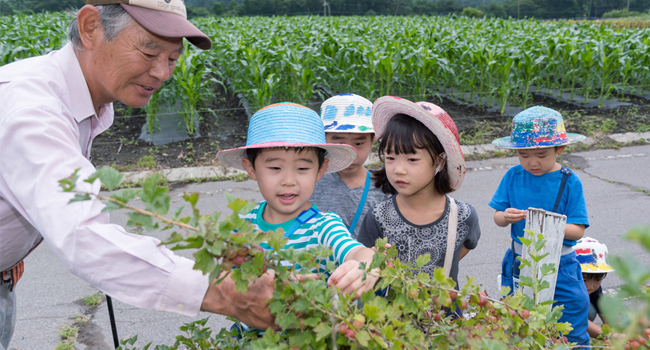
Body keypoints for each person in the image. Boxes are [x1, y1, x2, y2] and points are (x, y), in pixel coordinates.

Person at [0, 1, 274, 348]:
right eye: (149, 52)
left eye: (173, 59)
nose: (162, 73)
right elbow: (84, 238)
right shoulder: (31, 110)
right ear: (90, 27)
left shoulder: (83, 99)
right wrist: (224, 294)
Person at [216, 102, 381, 334]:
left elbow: (356, 251)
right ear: (251, 168)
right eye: (275, 168)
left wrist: (366, 265)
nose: (289, 180)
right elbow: (224, 278)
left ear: (320, 170)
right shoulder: (241, 224)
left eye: (302, 169)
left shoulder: (324, 227)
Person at [489, 106, 590, 346]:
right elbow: (498, 217)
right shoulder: (513, 176)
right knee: (519, 322)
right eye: (523, 155)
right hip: (519, 259)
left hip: (560, 262)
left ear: (560, 149)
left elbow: (578, 230)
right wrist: (507, 216)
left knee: (571, 321)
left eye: (542, 155)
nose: (532, 162)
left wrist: (549, 225)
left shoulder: (569, 181)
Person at [356, 96, 481, 289]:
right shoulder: (378, 217)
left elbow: (461, 250)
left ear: (440, 161)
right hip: (390, 317)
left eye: (412, 159)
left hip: (445, 318)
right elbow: (363, 263)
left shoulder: (463, 216)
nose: (399, 169)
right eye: (390, 157)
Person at [310, 94, 390, 239]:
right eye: (339, 144)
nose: (350, 153)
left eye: (358, 144)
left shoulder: (384, 187)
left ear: (372, 142)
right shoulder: (309, 183)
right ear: (324, 139)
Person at [573, 237, 614, 338]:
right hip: (562, 315)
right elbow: (577, 318)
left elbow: (604, 311)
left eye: (598, 280)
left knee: (591, 309)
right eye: (585, 280)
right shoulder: (565, 289)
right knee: (589, 312)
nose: (591, 286)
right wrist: (606, 337)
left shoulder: (593, 288)